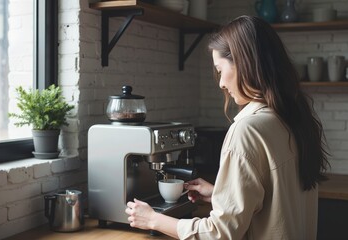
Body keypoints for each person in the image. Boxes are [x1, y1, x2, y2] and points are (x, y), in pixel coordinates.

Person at [125, 15, 329, 240]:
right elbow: (278, 200)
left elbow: (220, 234)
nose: (221, 83)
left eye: (220, 70)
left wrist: (154, 219)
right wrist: (220, 194)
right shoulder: (292, 119)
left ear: (244, 64)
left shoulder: (248, 130)